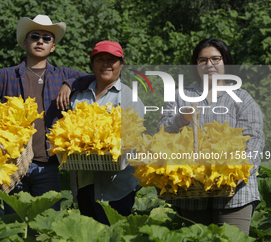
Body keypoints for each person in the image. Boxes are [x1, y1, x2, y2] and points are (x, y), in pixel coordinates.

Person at [0, 15, 94, 213]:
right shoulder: (7, 75)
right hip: (12, 167)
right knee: (13, 224)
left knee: (45, 226)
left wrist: (69, 84)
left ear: (53, 47)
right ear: (25, 43)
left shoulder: (61, 75)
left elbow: (93, 77)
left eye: (47, 38)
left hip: (47, 166)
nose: (40, 41)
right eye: (35, 36)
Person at [157, 38, 265, 234]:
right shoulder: (181, 95)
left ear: (226, 62)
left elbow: (255, 139)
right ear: (196, 65)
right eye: (203, 60)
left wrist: (242, 169)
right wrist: (180, 119)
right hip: (191, 194)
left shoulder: (242, 98)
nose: (209, 65)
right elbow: (160, 134)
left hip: (235, 194)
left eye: (216, 59)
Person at [69, 40, 145, 225]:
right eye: (100, 59)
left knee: (115, 235)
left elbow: (133, 137)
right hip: (85, 182)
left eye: (112, 60)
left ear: (121, 64)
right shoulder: (78, 96)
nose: (106, 64)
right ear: (92, 64)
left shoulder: (129, 97)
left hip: (117, 186)